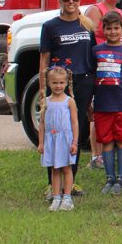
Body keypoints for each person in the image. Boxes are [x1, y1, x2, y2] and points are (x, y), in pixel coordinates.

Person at [38, 0, 94, 195]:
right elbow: (44, 58)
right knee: (55, 130)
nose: (71, 2)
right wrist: (43, 88)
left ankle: (72, 181)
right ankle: (52, 184)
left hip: (84, 81)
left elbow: (92, 56)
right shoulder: (51, 26)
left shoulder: (87, 25)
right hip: (59, 84)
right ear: (59, 1)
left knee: (75, 130)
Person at [92, 11, 122, 195]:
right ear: (103, 29)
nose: (112, 32)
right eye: (109, 28)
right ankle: (109, 178)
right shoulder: (95, 51)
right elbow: (91, 79)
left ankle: (121, 179)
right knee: (107, 142)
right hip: (102, 105)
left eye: (116, 28)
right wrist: (91, 102)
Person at [84, 0, 122, 166]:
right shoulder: (95, 10)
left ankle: (107, 152)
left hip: (117, 65)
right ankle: (96, 155)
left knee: (112, 110)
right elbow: (89, 39)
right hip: (100, 64)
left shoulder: (119, 12)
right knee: (99, 110)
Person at [38, 66, 78, 212]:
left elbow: (74, 122)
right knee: (55, 169)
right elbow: (42, 124)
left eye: (61, 83)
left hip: (65, 140)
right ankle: (56, 197)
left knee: (67, 168)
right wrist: (41, 142)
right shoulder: (46, 101)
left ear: (66, 83)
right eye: (55, 83)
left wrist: (74, 142)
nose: (58, 86)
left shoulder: (69, 101)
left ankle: (67, 197)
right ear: (49, 83)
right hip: (51, 140)